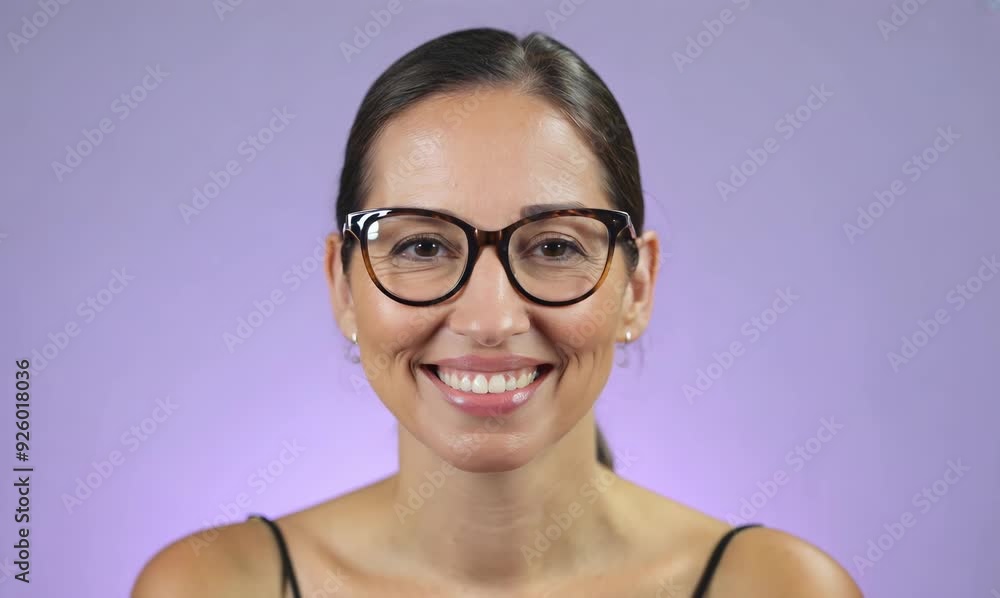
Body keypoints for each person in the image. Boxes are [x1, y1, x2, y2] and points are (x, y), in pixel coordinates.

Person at [132, 28, 862, 597]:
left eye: (552, 246)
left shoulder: (779, 588)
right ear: (342, 284)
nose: (489, 317)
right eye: (422, 244)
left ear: (636, 287)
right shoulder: (214, 586)